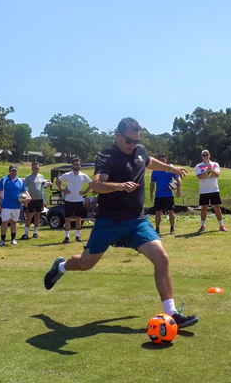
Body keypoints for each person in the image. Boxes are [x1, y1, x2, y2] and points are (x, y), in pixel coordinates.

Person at [44, 118, 199, 329]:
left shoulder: (139, 150)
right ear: (118, 136)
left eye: (137, 141)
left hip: (137, 222)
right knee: (85, 264)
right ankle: (61, 267)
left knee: (162, 257)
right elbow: (97, 185)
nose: (133, 145)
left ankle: (172, 315)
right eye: (129, 141)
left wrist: (172, 168)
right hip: (109, 222)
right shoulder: (107, 157)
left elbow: (149, 160)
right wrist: (119, 186)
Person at [55, 157, 92, 243]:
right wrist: (63, 190)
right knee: (68, 218)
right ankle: (67, 237)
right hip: (69, 200)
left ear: (80, 165)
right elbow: (58, 182)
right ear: (73, 165)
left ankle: (78, 236)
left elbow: (91, 184)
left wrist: (85, 192)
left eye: (78, 164)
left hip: (79, 200)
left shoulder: (83, 175)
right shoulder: (67, 175)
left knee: (78, 218)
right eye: (75, 164)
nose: (77, 166)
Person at [0, 165, 29, 246]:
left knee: (14, 222)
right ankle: (3, 240)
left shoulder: (20, 180)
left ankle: (13, 239)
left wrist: (29, 197)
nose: (14, 172)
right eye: (12, 171)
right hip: (6, 205)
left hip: (17, 205)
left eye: (15, 171)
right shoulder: (4, 180)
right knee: (4, 222)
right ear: (9, 171)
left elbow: (24, 191)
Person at [196, 150, 227, 233]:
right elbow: (200, 177)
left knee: (217, 207)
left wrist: (211, 169)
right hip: (204, 190)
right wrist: (206, 171)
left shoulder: (215, 164)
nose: (205, 156)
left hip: (214, 189)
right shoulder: (199, 166)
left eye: (207, 155)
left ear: (209, 155)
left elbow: (217, 175)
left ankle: (221, 225)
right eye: (204, 155)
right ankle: (203, 226)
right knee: (204, 208)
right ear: (202, 157)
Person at [150, 154, 181, 235]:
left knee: (171, 212)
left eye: (164, 160)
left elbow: (178, 179)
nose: (162, 161)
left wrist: (179, 190)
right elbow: (152, 183)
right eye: (161, 160)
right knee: (158, 212)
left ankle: (172, 228)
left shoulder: (170, 170)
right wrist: (151, 193)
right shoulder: (155, 171)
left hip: (169, 195)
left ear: (166, 160)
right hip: (159, 195)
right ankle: (157, 229)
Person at [22, 162, 50, 240]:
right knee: (29, 216)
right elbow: (24, 187)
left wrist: (49, 184)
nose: (36, 170)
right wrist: (25, 198)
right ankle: (26, 233)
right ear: (32, 169)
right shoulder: (29, 177)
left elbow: (44, 186)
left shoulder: (41, 177)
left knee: (38, 216)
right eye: (34, 168)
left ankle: (35, 232)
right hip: (31, 199)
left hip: (39, 199)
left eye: (37, 168)